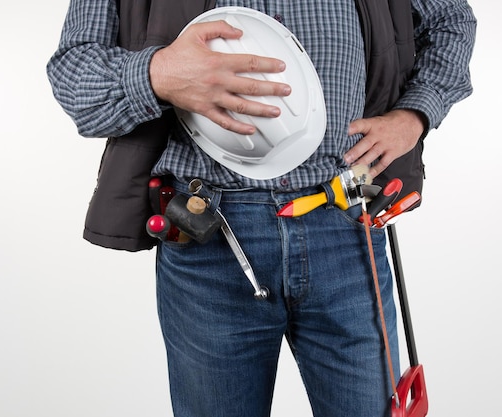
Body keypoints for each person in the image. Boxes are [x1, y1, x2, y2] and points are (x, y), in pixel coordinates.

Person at [47, 1, 476, 416]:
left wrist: (416, 113)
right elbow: (74, 76)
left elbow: (450, 19)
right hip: (209, 239)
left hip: (347, 225)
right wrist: (157, 72)